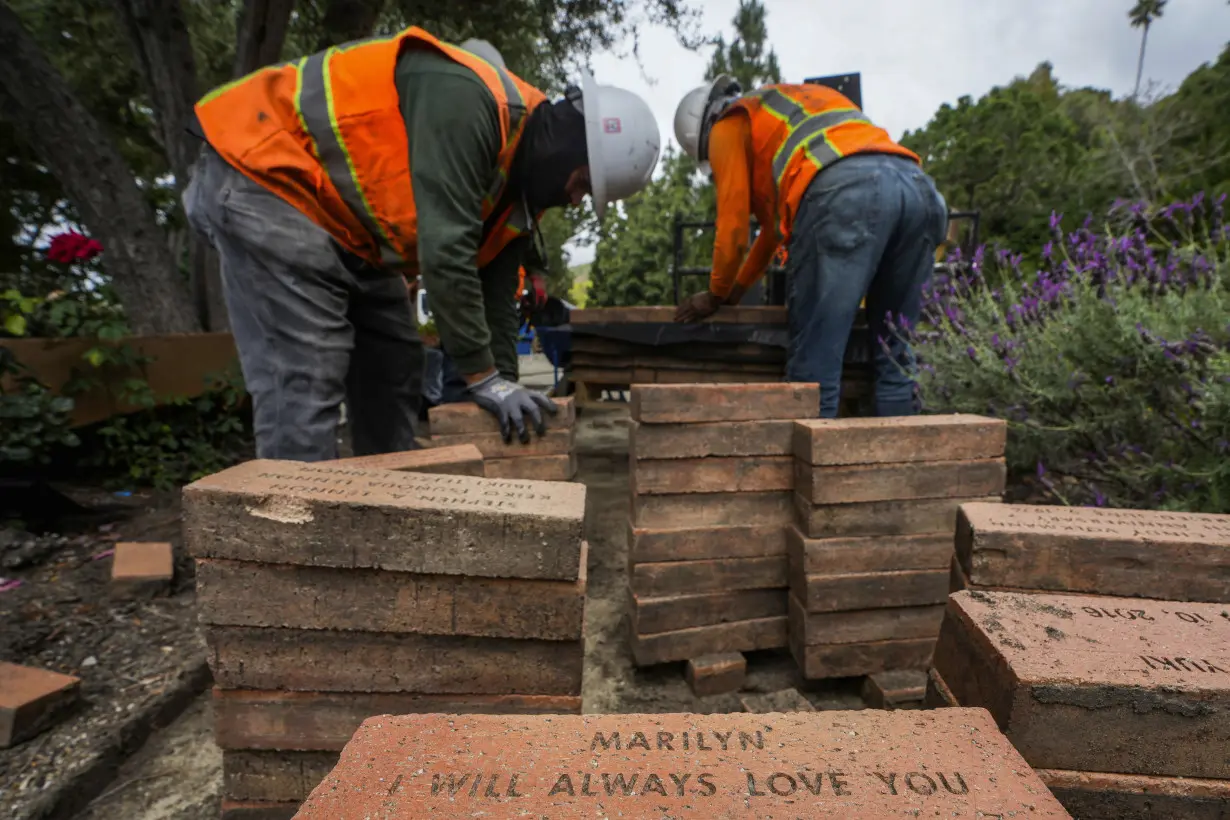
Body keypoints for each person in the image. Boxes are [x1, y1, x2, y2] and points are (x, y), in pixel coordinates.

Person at [183, 27, 660, 459]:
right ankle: (293, 537)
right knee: (306, 374)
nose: (576, 201)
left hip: (342, 221)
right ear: (568, 150)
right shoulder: (470, 104)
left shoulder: (519, 186)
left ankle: (389, 513)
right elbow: (446, 254)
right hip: (266, 170)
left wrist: (504, 387)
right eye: (581, 184)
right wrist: (483, 379)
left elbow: (495, 295)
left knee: (394, 360)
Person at [671, 76, 948, 418]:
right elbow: (770, 236)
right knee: (895, 356)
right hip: (919, 192)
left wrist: (713, 294)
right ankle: (899, 466)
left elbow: (733, 228)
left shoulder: (727, 124)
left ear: (705, 130)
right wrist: (733, 295)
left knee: (814, 370)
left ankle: (810, 470)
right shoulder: (793, 108)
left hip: (845, 196)